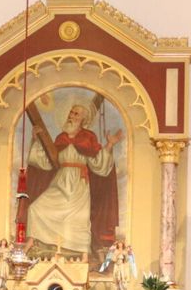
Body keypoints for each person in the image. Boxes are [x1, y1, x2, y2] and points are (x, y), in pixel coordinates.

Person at [24, 100, 122, 258]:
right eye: (71, 112)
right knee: (36, 208)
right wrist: (35, 139)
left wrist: (109, 145)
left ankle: (84, 255)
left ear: (83, 119)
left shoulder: (88, 137)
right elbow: (46, 161)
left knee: (80, 219)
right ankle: (31, 242)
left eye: (76, 114)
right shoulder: (61, 137)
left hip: (79, 183)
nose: (71, 116)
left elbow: (98, 164)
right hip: (60, 181)